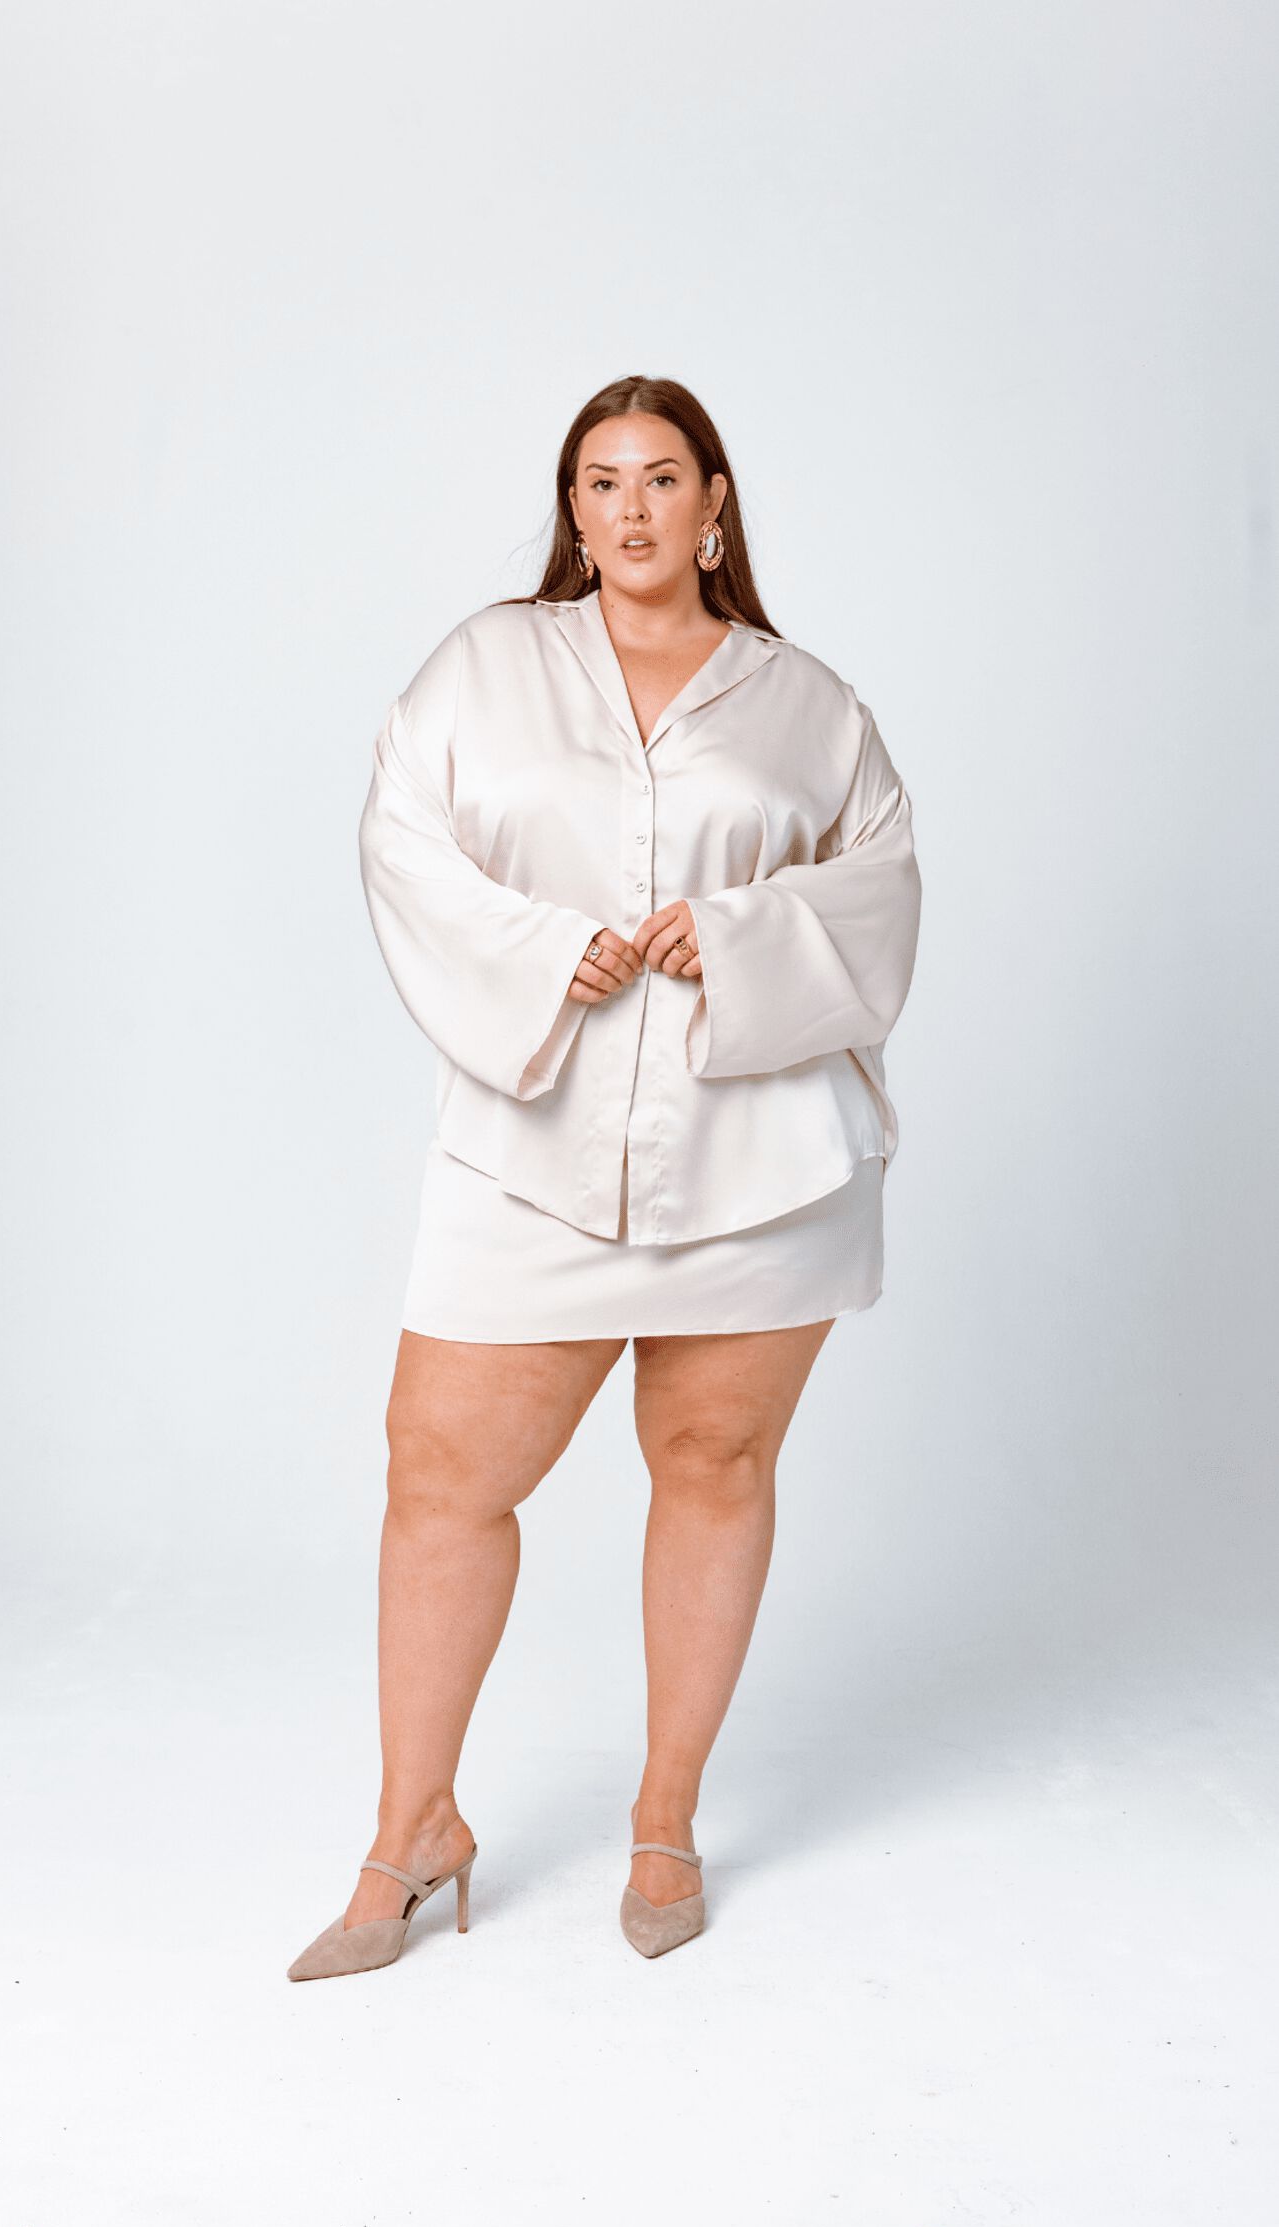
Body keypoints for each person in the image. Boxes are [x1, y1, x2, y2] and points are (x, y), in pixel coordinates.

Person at [287, 374, 922, 1978]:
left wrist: (745, 933)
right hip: (537, 1145)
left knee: (713, 1461)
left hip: (762, 1154)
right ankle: (412, 1829)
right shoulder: (485, 669)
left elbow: (884, 892)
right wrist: (536, 955)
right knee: (442, 1471)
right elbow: (400, 841)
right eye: (598, 481)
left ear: (715, 503)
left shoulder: (809, 706)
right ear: (571, 510)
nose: (629, 508)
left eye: (660, 478)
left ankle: (665, 1818)